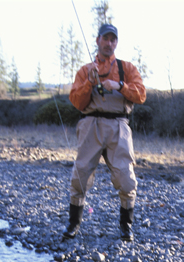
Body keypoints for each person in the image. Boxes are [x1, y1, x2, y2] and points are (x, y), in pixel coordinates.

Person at [63, 23, 146, 241]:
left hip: (118, 126)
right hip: (90, 125)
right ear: (98, 40)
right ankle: (73, 224)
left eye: (113, 39)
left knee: (126, 178)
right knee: (80, 175)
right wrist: (89, 85)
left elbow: (141, 95)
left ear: (116, 43)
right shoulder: (85, 70)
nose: (109, 43)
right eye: (105, 39)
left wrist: (119, 86)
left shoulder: (127, 68)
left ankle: (126, 226)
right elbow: (77, 101)